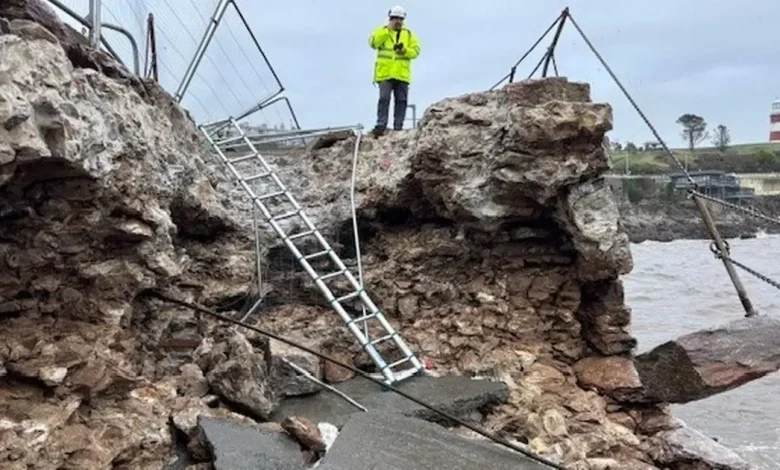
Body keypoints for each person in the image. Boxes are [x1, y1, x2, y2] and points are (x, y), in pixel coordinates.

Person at [368, 5, 421, 137]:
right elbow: (373, 43)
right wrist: (387, 30)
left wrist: (404, 51)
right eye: (395, 18)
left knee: (401, 101)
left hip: (401, 74)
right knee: (384, 98)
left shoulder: (409, 34)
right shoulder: (382, 32)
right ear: (390, 18)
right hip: (385, 73)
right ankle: (381, 124)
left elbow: (416, 51)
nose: (397, 21)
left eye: (400, 19)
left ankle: (398, 126)